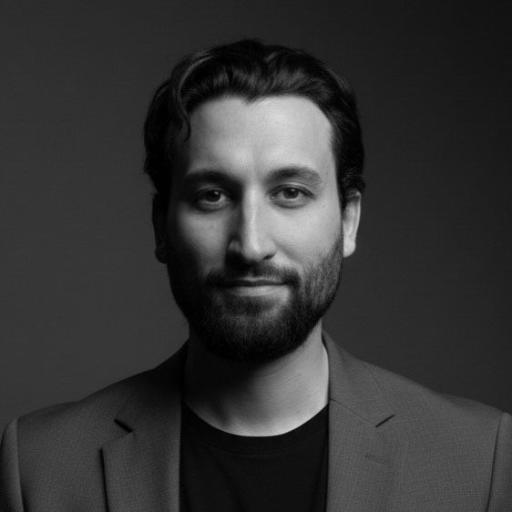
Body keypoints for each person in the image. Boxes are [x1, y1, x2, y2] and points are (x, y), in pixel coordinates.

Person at [1, 39, 511, 512]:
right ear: (161, 225)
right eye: (212, 196)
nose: (250, 245)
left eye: (290, 193)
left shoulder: (480, 462)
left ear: (348, 221)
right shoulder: (38, 468)